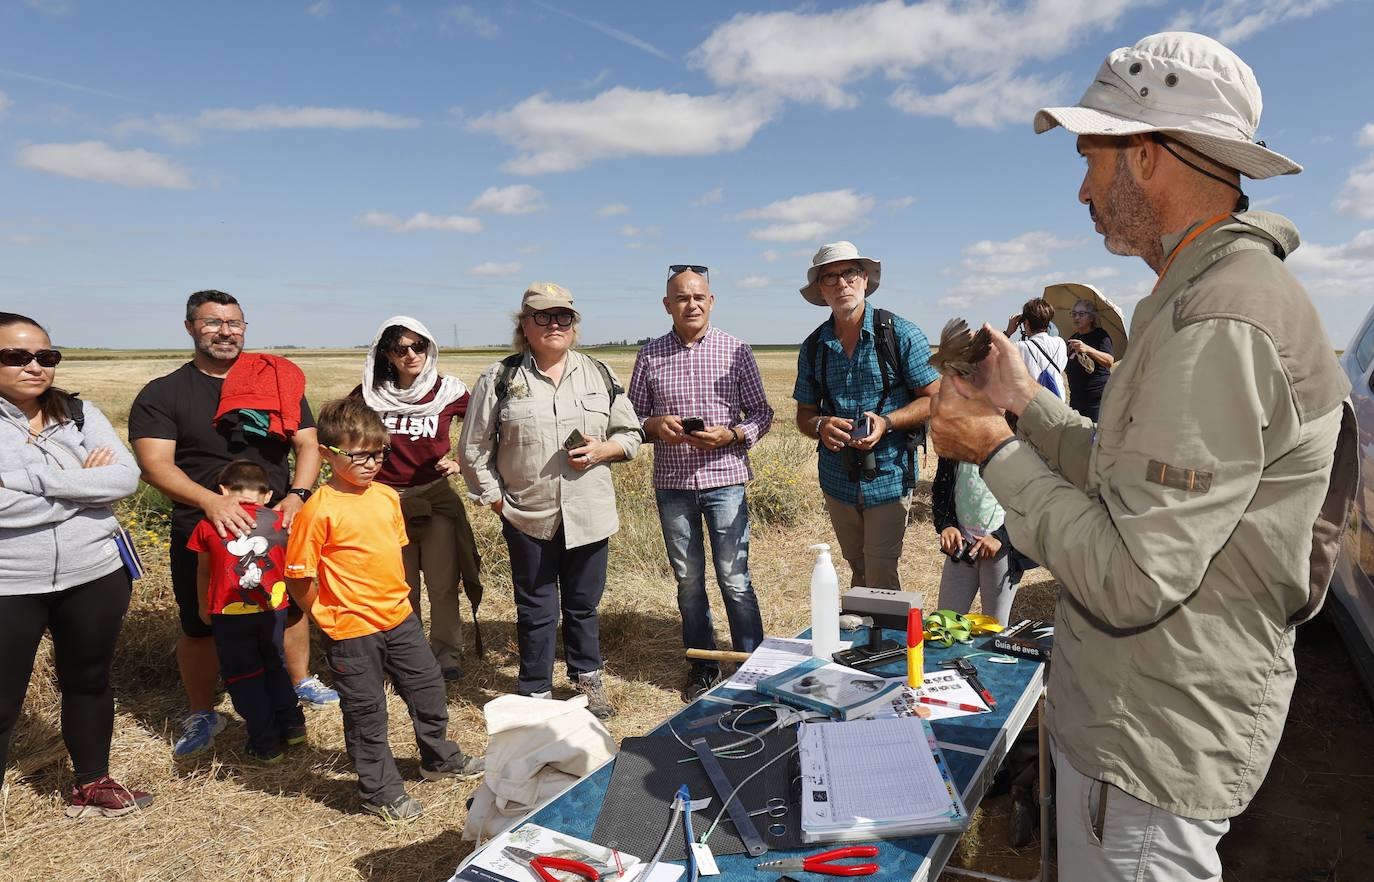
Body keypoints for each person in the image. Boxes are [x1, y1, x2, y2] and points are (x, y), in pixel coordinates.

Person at [929, 32, 1357, 881]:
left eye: (1091, 157)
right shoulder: (1196, 296)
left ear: (1149, 156)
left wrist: (994, 450)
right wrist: (1022, 401)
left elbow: (1133, 574)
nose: (1083, 189)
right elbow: (1122, 475)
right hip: (1140, 714)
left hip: (1151, 738)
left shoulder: (1219, 320)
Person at [129, 289, 337, 761]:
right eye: (213, 322)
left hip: (277, 524)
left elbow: (308, 446)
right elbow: (154, 464)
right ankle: (203, 710)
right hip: (203, 528)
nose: (226, 331)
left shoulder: (276, 381)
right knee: (200, 620)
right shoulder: (164, 393)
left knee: (290, 609)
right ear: (189, 328)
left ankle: (299, 682)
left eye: (235, 323)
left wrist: (298, 497)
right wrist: (210, 503)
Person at [285, 397, 483, 822]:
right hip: (351, 631)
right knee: (366, 712)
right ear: (326, 454)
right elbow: (299, 578)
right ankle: (379, 790)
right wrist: (325, 616)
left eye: (379, 453)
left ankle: (439, 759)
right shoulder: (316, 511)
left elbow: (390, 554)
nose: (372, 463)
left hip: (400, 619)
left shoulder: (387, 497)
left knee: (429, 688)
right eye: (359, 455)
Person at [457, 283, 643, 719]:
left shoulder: (600, 373)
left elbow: (631, 434)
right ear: (525, 325)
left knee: (583, 606)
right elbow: (473, 450)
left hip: (590, 513)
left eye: (564, 317)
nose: (554, 324)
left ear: (574, 327)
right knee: (536, 607)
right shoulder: (499, 378)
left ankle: (587, 681)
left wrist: (604, 449)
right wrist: (497, 502)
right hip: (527, 515)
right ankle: (536, 691)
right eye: (543, 316)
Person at [0, 312, 153, 817]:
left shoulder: (81, 413)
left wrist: (32, 480)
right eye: (16, 357)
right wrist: (82, 489)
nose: (34, 366)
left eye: (46, 356)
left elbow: (124, 480)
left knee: (89, 680)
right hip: (10, 580)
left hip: (95, 572)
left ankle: (93, 782)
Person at [627, 265, 774, 700]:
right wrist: (654, 423)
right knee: (689, 580)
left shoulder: (736, 350)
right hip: (672, 483)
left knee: (734, 577)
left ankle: (753, 664)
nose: (690, 304)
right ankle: (703, 666)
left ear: (710, 302)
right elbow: (629, 420)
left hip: (725, 480)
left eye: (698, 297)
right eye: (681, 297)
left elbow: (762, 414)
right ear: (667, 305)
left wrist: (731, 435)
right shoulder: (650, 354)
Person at [793, 242, 940, 589]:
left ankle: (890, 643)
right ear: (821, 290)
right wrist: (821, 425)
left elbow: (934, 399)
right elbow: (804, 413)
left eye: (850, 273)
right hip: (836, 478)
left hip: (889, 473)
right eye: (830, 277)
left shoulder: (899, 334)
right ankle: (865, 639)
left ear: (864, 279)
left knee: (880, 571)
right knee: (857, 567)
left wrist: (886, 422)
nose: (842, 283)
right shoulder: (813, 346)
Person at [352, 316, 483, 681]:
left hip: (434, 498)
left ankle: (446, 656)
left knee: (442, 583)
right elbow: (344, 433)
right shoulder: (369, 393)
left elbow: (485, 429)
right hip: (385, 502)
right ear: (387, 355)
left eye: (418, 346)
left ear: (429, 347)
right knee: (399, 585)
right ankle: (406, 656)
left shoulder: (450, 392)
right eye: (400, 348)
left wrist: (460, 462)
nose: (411, 354)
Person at [186, 460, 307, 764]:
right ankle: (292, 725)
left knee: (244, 676)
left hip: (229, 613)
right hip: (274, 609)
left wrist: (203, 606)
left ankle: (265, 743)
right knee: (274, 664)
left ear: (223, 491)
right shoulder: (281, 523)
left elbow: (203, 572)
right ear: (266, 495)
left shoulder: (207, 525)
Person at [931, 455, 1016, 624]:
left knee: (993, 630)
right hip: (961, 547)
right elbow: (941, 488)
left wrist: (1001, 537)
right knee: (945, 625)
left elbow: (1028, 502)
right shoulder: (955, 447)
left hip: (1000, 553)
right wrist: (946, 524)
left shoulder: (1015, 448)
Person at [1004, 298, 1067, 402]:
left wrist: (1008, 332)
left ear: (1026, 323)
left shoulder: (1020, 347)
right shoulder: (1060, 343)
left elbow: (992, 352)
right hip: (1058, 402)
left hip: (1033, 405)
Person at [1064, 298, 1115, 420]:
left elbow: (1109, 361)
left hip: (1097, 402)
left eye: (1081, 314)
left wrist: (1088, 349)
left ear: (1091, 318)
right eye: (1074, 314)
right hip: (1076, 402)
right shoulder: (1072, 339)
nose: (1076, 317)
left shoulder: (1100, 336)